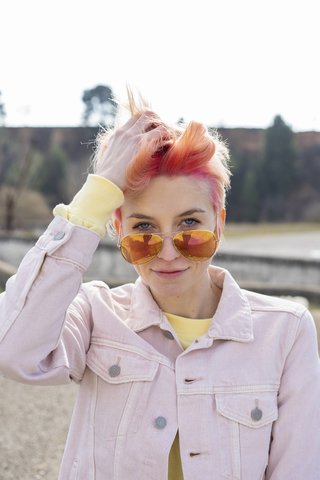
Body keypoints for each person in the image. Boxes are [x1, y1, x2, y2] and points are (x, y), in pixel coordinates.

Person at [0, 92, 320, 480]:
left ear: (219, 223)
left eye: (189, 225)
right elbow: (13, 349)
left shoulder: (285, 331)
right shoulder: (93, 313)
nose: (168, 254)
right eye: (143, 229)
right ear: (117, 230)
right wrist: (97, 194)